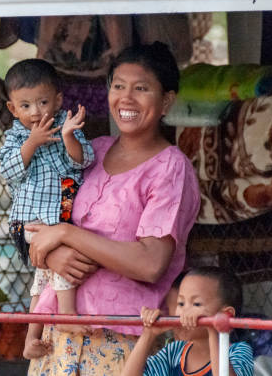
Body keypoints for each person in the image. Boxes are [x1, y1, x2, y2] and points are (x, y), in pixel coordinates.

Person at [26, 41, 201, 375]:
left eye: (142, 88)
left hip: (121, 340)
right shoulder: (89, 151)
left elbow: (151, 263)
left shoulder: (170, 168)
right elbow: (38, 222)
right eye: (118, 86)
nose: (126, 98)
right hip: (57, 337)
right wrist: (52, 255)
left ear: (167, 100)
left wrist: (66, 234)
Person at [0, 58, 95, 359]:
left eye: (42, 102)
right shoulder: (14, 137)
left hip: (59, 221)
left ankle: (31, 338)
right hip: (28, 224)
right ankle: (68, 317)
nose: (35, 111)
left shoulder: (68, 129)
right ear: (12, 109)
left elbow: (84, 161)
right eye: (25, 106)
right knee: (63, 261)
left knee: (42, 279)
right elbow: (9, 170)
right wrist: (32, 143)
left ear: (58, 100)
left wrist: (67, 137)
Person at [121, 266, 254, 376]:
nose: (184, 313)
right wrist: (148, 334)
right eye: (181, 303)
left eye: (196, 304)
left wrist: (214, 329)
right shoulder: (174, 352)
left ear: (227, 314)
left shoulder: (238, 351)